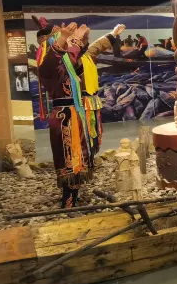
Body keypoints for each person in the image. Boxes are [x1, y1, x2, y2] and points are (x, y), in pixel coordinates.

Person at [38, 22, 126, 207]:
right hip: (65, 119)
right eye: (65, 43)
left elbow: (88, 52)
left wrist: (111, 35)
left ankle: (74, 196)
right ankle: (68, 201)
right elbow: (56, 60)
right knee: (70, 160)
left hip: (78, 115)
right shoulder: (50, 68)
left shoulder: (70, 67)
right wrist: (68, 39)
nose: (71, 46)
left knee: (82, 157)